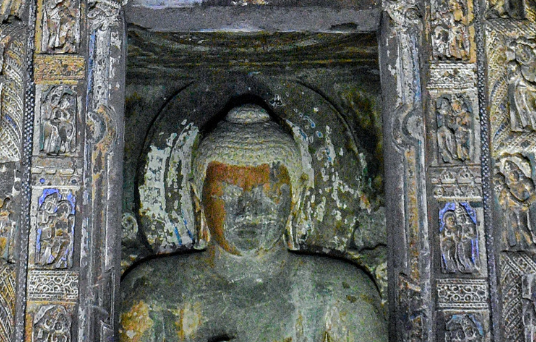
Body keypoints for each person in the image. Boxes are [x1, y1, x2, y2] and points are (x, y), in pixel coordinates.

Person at [120, 103, 385, 342]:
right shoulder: (151, 291)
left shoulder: (341, 292)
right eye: (229, 193)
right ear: (197, 197)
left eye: (268, 194)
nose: (247, 210)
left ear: (295, 198)